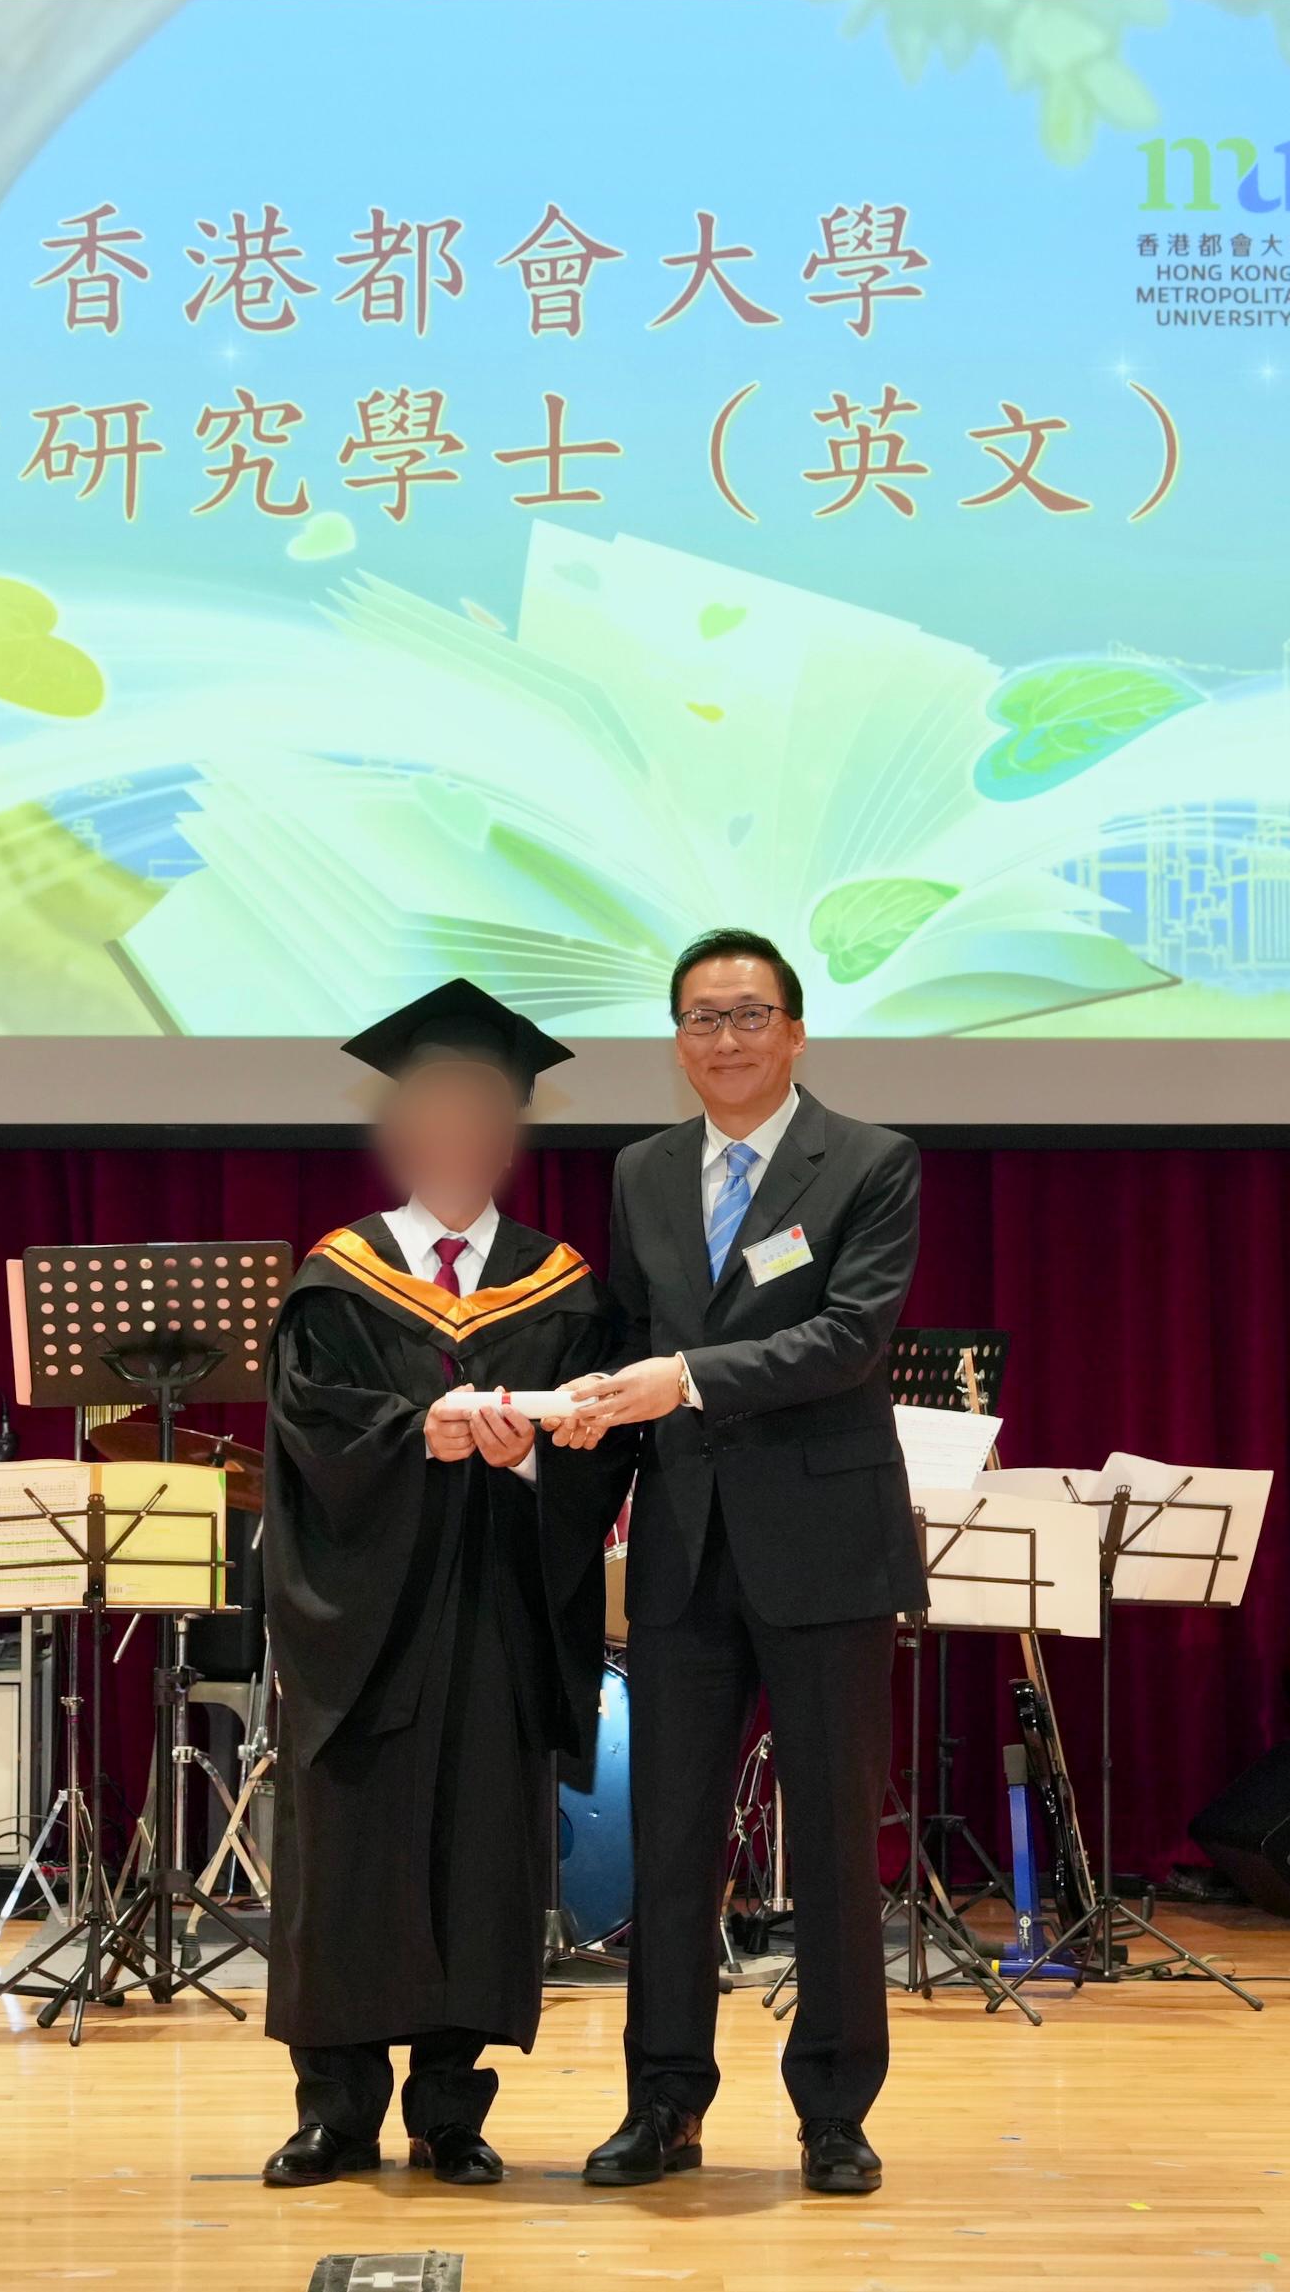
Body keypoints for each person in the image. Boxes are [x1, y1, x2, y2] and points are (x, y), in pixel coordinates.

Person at [549, 928, 924, 2198]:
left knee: (831, 1841)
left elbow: (848, 1337)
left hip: (826, 1545)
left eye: (749, 1013)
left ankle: (834, 2111)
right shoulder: (643, 1169)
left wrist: (683, 1378)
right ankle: (663, 2102)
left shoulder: (869, 1160)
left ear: (796, 1030)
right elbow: (628, 1335)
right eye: (702, 1017)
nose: (726, 1036)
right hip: (682, 1544)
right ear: (676, 1041)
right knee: (670, 1842)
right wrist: (571, 1420)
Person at [256, 977, 617, 2189]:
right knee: (349, 1853)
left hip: (500, 1609)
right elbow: (311, 1435)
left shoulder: (562, 1286)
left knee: (481, 1851)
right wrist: (418, 1430)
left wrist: (530, 1458)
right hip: (367, 1617)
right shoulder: (337, 1280)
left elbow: (603, 1448)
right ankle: (336, 2109)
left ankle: (451, 2110)